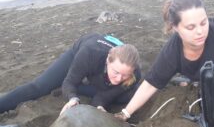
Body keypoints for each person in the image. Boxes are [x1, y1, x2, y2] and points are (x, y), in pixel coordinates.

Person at [0, 33, 141, 115]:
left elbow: (104, 96)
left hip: (102, 68)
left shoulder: (135, 74)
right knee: (41, 86)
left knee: (128, 96)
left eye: (124, 75)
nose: (118, 79)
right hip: (85, 49)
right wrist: (72, 98)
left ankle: (76, 88)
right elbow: (70, 82)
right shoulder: (89, 54)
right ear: (108, 61)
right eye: (116, 72)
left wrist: (98, 107)